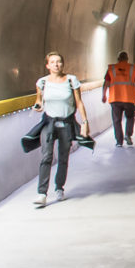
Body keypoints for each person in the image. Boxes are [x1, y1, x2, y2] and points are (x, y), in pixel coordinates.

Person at [32, 51, 89, 207]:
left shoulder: (71, 80)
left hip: (66, 123)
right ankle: (42, 193)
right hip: (49, 123)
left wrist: (84, 122)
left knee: (63, 157)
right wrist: (37, 105)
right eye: (53, 62)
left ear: (63, 64)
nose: (56, 65)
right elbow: (39, 100)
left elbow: (79, 102)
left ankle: (59, 188)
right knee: (46, 156)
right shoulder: (42, 82)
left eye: (59, 62)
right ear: (47, 65)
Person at [102, 51, 135, 147]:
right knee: (130, 117)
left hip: (115, 98)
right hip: (129, 98)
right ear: (127, 59)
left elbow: (106, 83)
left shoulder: (112, 68)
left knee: (116, 120)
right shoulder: (133, 68)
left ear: (118, 59)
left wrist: (104, 95)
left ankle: (119, 141)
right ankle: (128, 134)